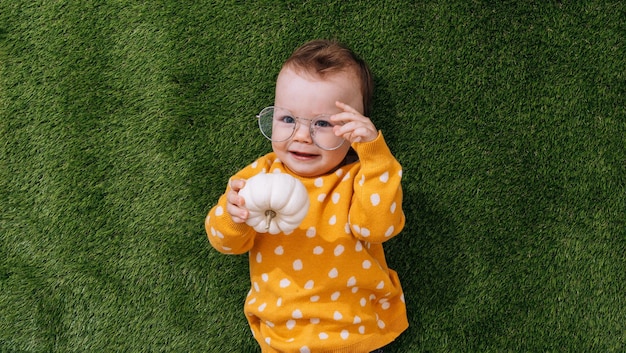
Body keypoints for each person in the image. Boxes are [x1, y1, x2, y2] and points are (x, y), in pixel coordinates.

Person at [205, 39, 407, 353]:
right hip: (282, 336)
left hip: (356, 332)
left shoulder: (359, 179)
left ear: (353, 129)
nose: (301, 136)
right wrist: (232, 215)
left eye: (323, 123)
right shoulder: (259, 176)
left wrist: (375, 155)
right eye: (287, 119)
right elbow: (224, 242)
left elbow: (378, 228)